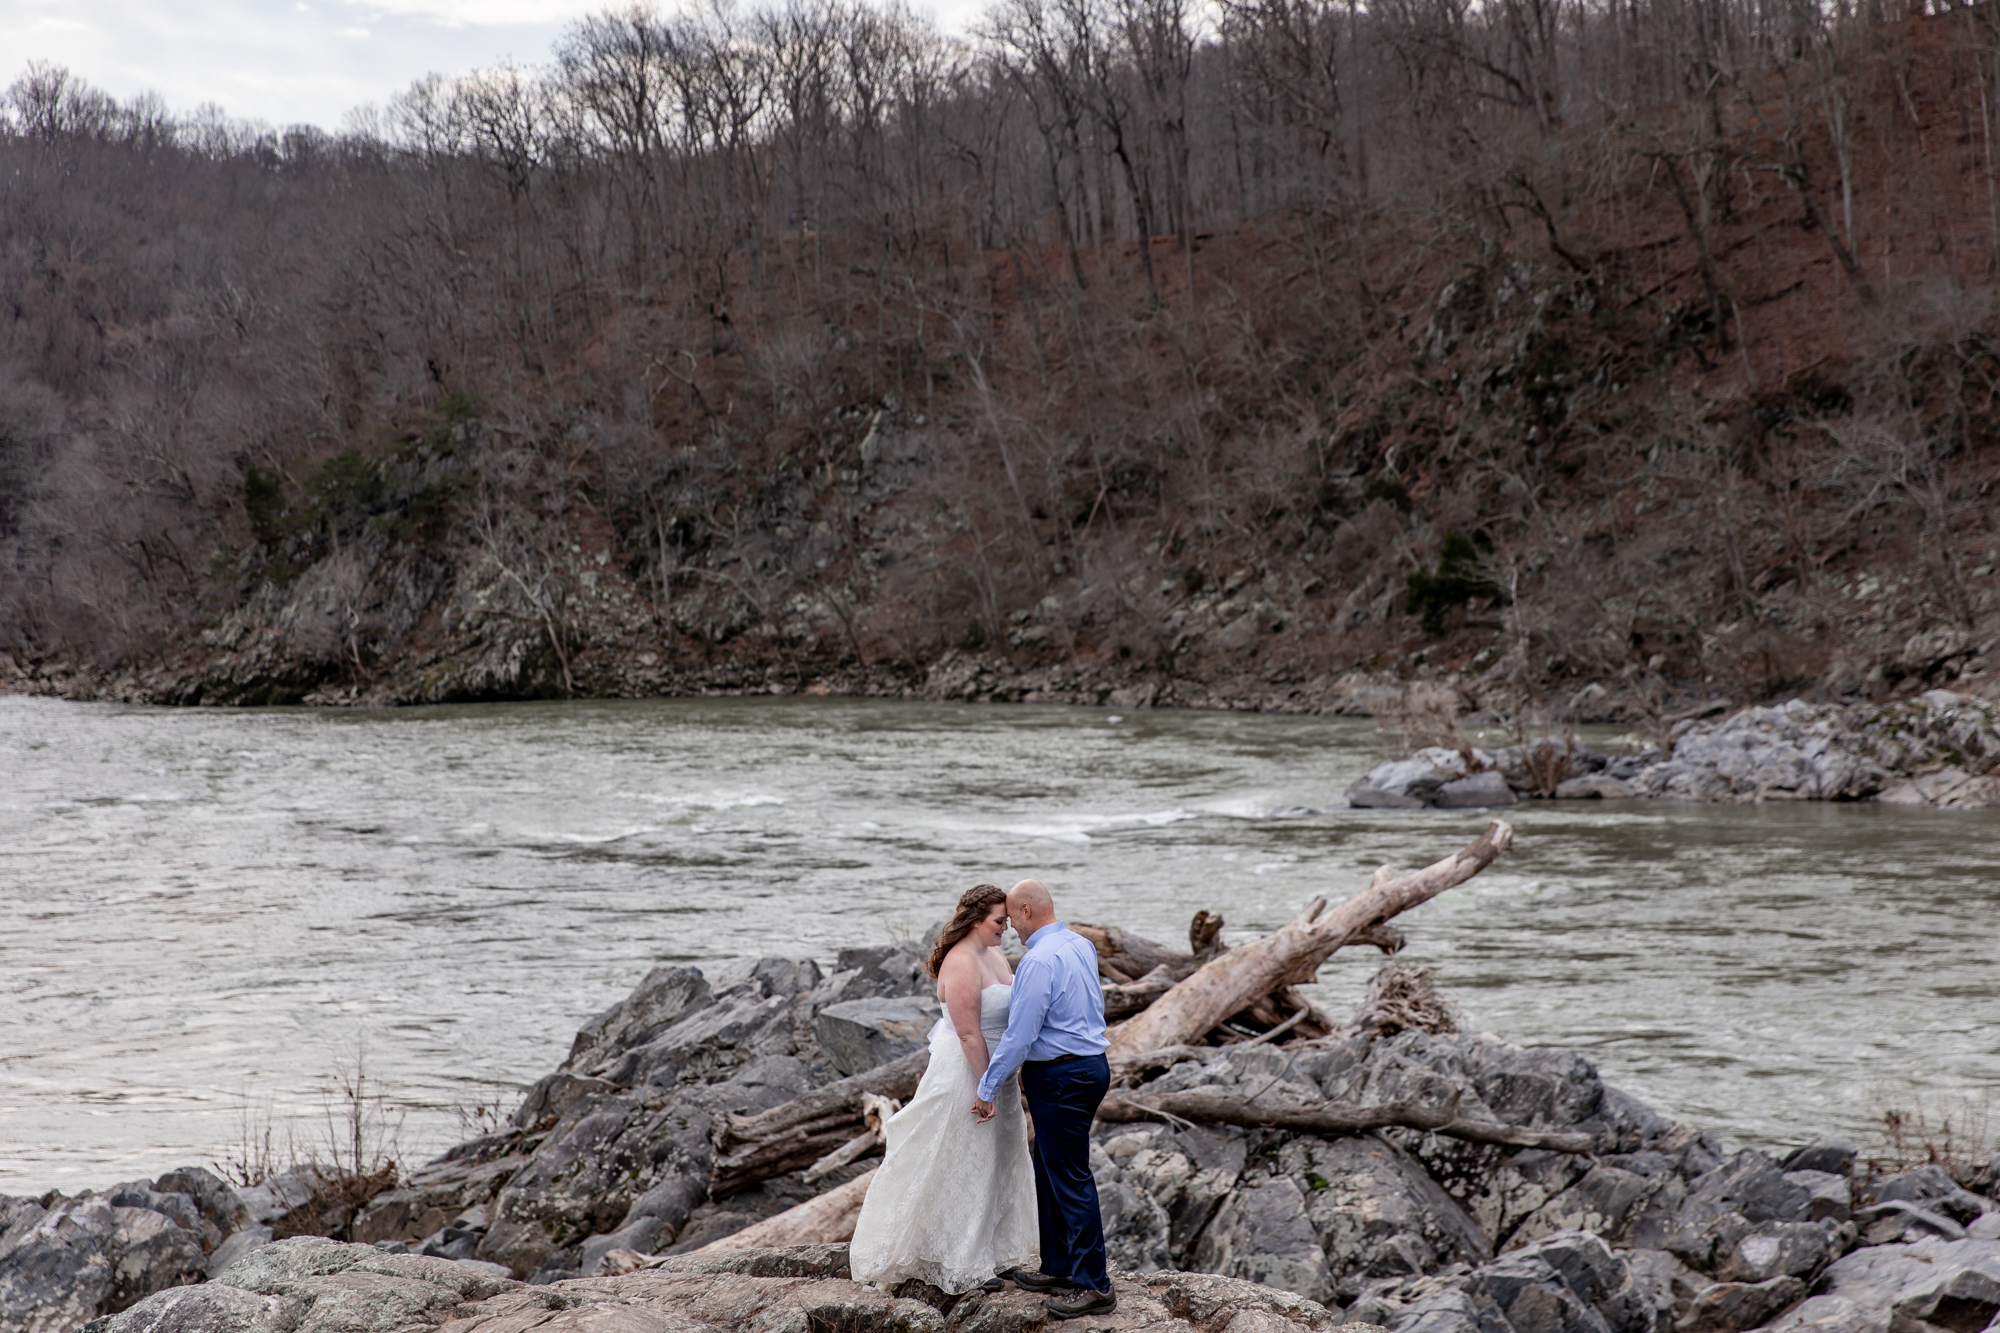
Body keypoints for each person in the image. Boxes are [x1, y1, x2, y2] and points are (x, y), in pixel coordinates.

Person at [848, 884, 1039, 1294]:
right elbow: (970, 1033)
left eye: (1006, 920)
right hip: (967, 1072)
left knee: (1001, 1156)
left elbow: (1012, 1019)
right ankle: (962, 1261)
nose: (1005, 928)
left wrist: (1014, 1070)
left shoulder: (995, 954)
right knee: (963, 1155)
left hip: (996, 1073)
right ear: (974, 920)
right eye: (998, 921)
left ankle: (1000, 1252)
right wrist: (985, 1087)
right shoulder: (961, 961)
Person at [976, 878, 1116, 1319]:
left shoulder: (1038, 959)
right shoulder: (1080, 944)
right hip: (1088, 1067)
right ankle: (1059, 1265)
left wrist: (986, 1085)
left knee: (1070, 1176)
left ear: (1027, 912)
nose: (1011, 927)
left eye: (1012, 917)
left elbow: (1020, 1034)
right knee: (1048, 1165)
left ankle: (1094, 1285)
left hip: (1062, 1075)